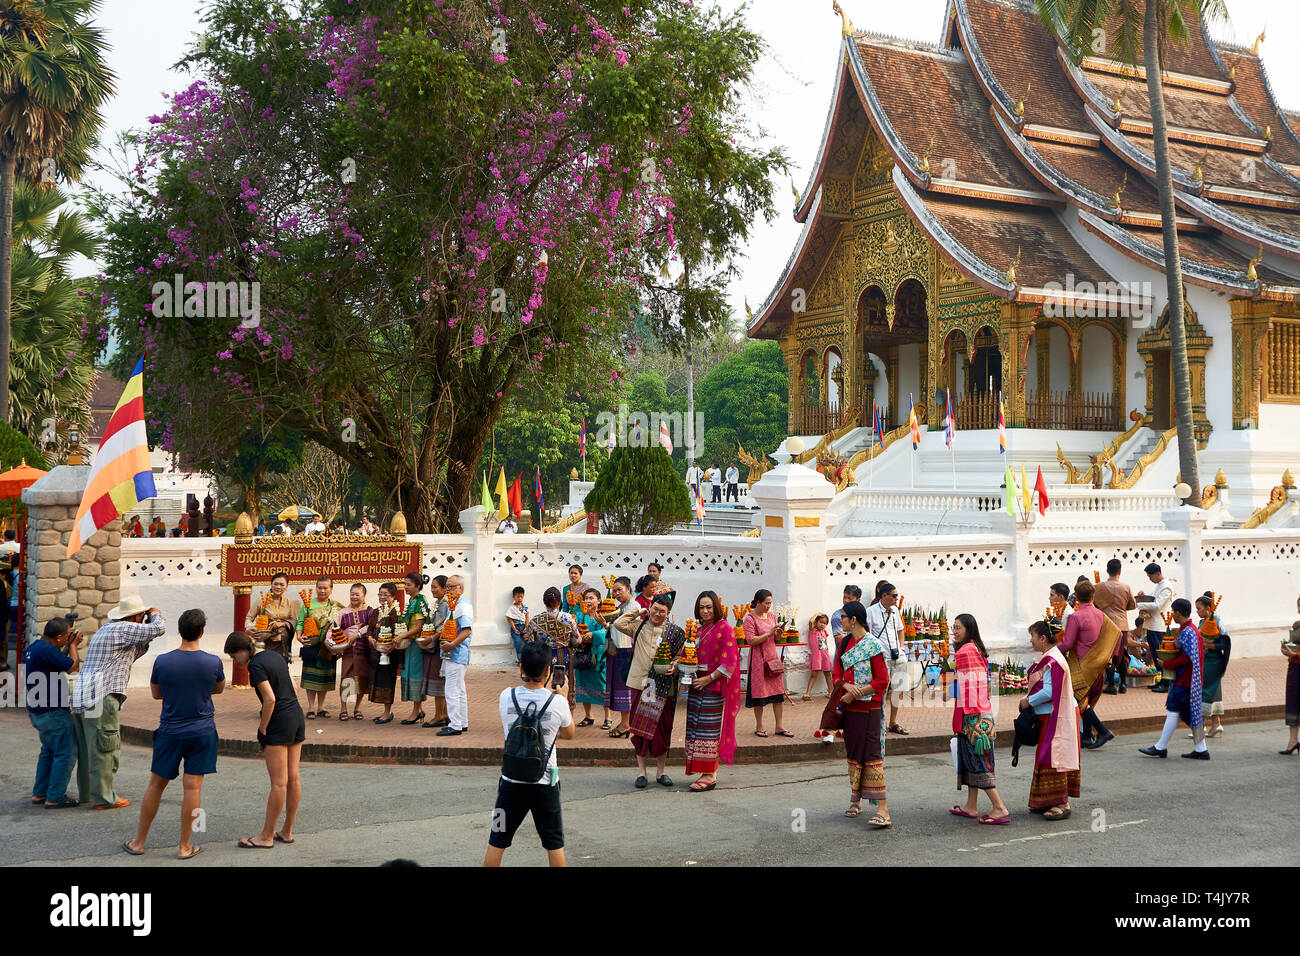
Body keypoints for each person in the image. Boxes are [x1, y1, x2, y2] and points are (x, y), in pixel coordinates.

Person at [122, 609, 225, 859]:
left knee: (156, 785)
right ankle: (184, 846)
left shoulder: (163, 661)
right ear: (202, 631)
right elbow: (219, 688)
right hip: (202, 730)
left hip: (170, 729)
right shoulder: (213, 662)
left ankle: (139, 842)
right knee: (193, 789)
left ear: (180, 631)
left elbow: (157, 694)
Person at [70, 595, 167, 811]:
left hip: (83, 696)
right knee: (105, 748)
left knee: (88, 750)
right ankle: (104, 798)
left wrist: (145, 625)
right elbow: (158, 628)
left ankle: (89, 794)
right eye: (141, 616)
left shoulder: (108, 629)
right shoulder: (123, 628)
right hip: (101, 697)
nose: (143, 619)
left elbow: (138, 650)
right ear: (135, 616)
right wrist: (154, 613)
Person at [484, 642, 574, 867]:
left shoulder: (506, 696)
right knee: (554, 843)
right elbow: (569, 733)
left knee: (497, 839)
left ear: (521, 667)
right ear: (548, 671)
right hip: (545, 783)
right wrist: (563, 696)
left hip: (510, 783)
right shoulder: (557, 703)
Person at [224, 631, 305, 849]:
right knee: (293, 778)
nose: (236, 661)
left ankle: (266, 836)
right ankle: (286, 831)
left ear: (242, 651)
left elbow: (269, 699)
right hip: (296, 715)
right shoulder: (274, 655)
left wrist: (263, 727)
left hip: (278, 720)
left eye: (234, 656)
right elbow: (294, 687)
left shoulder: (255, 666)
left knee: (279, 782)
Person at [830, 600, 891, 825]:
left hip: (870, 708)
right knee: (853, 753)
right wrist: (846, 688)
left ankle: (883, 809)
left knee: (872, 754)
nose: (841, 620)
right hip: (851, 708)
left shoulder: (873, 645)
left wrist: (858, 692)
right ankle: (855, 800)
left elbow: (882, 680)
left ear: (853, 619)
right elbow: (836, 674)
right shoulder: (845, 644)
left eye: (844, 617)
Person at [619, 593, 686, 788]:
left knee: (662, 730)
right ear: (650, 608)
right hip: (640, 683)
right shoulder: (638, 626)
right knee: (639, 729)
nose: (657, 614)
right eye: (654, 609)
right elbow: (618, 623)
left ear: (668, 613)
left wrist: (675, 665)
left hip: (664, 686)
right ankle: (642, 773)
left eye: (662, 611)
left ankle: (661, 772)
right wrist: (638, 611)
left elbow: (683, 655)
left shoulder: (676, 632)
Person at [950, 613, 1010, 824]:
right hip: (980, 711)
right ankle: (971, 806)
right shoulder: (975, 648)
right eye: (953, 627)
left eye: (958, 628)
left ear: (968, 629)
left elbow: (970, 686)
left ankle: (999, 807)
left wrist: (970, 716)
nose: (954, 631)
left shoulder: (965, 651)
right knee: (971, 760)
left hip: (972, 714)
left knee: (977, 761)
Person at [684, 590, 742, 792]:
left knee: (708, 731)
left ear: (716, 607)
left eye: (709, 607)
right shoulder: (699, 630)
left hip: (712, 686)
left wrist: (708, 679)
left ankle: (710, 774)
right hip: (696, 685)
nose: (705, 610)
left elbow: (730, 662)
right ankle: (702, 769)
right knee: (695, 728)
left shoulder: (724, 628)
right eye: (701, 607)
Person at [1021, 619, 1079, 820]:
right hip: (1052, 714)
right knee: (1046, 757)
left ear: (1043, 638)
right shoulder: (1051, 657)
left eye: (1033, 637)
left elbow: (1049, 690)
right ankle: (1047, 800)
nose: (1031, 641)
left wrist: (1028, 701)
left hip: (1058, 715)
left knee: (1055, 757)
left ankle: (1062, 802)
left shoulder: (1054, 660)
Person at [1140, 598, 1209, 760]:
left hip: (1186, 679)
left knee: (1172, 709)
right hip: (1189, 679)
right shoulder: (1190, 630)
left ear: (1177, 613)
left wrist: (1168, 664)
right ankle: (1201, 749)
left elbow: (1187, 658)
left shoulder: (1188, 631)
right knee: (1191, 715)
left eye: (1173, 612)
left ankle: (1161, 747)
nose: (1172, 615)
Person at [24, 617, 82, 808]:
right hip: (53, 711)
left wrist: (68, 644)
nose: (67, 639)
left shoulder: (35, 648)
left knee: (48, 751)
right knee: (66, 752)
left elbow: (60, 663)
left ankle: (40, 793)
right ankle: (55, 796)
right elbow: (73, 667)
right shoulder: (49, 650)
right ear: (58, 638)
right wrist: (74, 645)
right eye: (66, 636)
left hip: (37, 711)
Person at [1060, 579, 1120, 750]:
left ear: (1076, 597)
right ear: (1093, 595)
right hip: (1098, 665)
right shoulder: (1102, 615)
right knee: (1087, 699)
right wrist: (1110, 656)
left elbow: (1067, 644)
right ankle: (1087, 736)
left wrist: (1049, 650)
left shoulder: (1075, 616)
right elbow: (1118, 635)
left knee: (1079, 700)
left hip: (1082, 665)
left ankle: (1102, 730)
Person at [743, 589, 790, 738]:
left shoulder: (772, 616)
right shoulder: (749, 619)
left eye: (770, 603)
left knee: (778, 693)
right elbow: (751, 640)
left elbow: (775, 639)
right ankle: (759, 726)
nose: (769, 606)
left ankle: (779, 726)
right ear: (758, 602)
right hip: (758, 660)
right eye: (766, 603)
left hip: (772, 659)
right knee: (759, 694)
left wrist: (778, 634)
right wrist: (769, 633)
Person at [524, 586, 581, 704]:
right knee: (566, 686)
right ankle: (567, 717)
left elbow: (531, 642)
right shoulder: (568, 618)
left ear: (544, 602)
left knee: (544, 687)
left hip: (543, 658)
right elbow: (577, 641)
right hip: (564, 656)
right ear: (560, 602)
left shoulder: (535, 620)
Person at [865, 580, 907, 736]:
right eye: (894, 595)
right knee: (880, 691)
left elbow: (900, 630)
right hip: (881, 657)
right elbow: (867, 634)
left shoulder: (895, 611)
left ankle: (893, 722)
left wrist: (901, 649)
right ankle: (879, 722)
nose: (897, 598)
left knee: (898, 690)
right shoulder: (871, 611)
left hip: (897, 656)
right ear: (884, 595)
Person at [297, 576, 342, 717]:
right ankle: (311, 708)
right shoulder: (308, 604)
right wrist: (299, 636)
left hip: (328, 647)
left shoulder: (336, 606)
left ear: (331, 589)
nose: (322, 591)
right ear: (316, 588)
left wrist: (341, 645)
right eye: (319, 588)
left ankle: (321, 707)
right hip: (311, 644)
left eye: (325, 588)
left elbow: (343, 624)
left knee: (324, 677)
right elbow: (300, 622)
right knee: (311, 678)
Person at [438, 574, 473, 736]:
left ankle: (455, 724)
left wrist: (452, 644)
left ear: (460, 588)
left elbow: (466, 630)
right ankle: (462, 722)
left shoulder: (463, 606)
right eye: (447, 586)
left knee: (451, 689)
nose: (447, 589)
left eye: (451, 586)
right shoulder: (455, 604)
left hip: (456, 653)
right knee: (459, 689)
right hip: (454, 653)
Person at [246, 571, 302, 669]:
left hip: (283, 644)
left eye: (282, 584)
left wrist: (282, 624)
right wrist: (249, 628)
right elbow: (249, 618)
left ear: (286, 587)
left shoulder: (291, 603)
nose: (278, 587)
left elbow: (295, 621)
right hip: (265, 642)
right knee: (265, 669)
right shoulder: (261, 601)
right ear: (271, 584)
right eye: (275, 584)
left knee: (281, 670)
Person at [337, 583, 376, 720]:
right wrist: (333, 644)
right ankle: (343, 709)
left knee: (361, 679)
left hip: (363, 650)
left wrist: (358, 634)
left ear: (364, 595)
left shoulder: (370, 612)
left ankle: (357, 708)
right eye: (352, 593)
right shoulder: (342, 612)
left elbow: (372, 626)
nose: (354, 596)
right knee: (346, 680)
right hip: (348, 650)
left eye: (357, 594)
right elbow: (335, 630)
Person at [1097, 559, 1136, 695]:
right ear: (1120, 571)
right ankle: (1123, 683)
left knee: (1108, 655)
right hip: (1122, 625)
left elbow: (1095, 606)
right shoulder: (1126, 587)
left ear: (1107, 571)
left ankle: (1112, 685)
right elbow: (1132, 605)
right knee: (1123, 654)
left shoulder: (1099, 587)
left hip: (1107, 625)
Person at [397, 572, 432, 724]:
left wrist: (402, 635)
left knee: (415, 675)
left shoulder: (419, 601)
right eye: (405, 584)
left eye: (409, 584)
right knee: (409, 674)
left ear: (418, 586)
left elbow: (418, 627)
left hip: (416, 645)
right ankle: (418, 710)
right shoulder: (411, 600)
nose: (405, 587)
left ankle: (415, 711)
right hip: (410, 645)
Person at [1135, 563, 1176, 692]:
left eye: (1150, 576)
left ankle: (1166, 682)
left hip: (1160, 625)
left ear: (1158, 573)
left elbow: (1157, 604)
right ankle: (1160, 680)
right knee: (1154, 653)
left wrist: (1139, 604)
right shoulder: (1160, 585)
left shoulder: (1167, 587)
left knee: (1161, 655)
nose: (1150, 579)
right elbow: (1152, 597)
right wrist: (1143, 595)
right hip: (1153, 624)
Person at [605, 576, 637, 737]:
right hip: (619, 649)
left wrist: (608, 624)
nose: (617, 593)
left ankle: (626, 724)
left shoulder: (634, 606)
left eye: (620, 590)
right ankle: (625, 722)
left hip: (626, 651)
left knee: (624, 688)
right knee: (619, 687)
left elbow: (624, 627)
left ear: (628, 589)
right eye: (614, 591)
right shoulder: (622, 606)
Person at [572, 587, 609, 729]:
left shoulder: (604, 614)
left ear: (599, 600)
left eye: (591, 598)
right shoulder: (580, 615)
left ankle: (608, 718)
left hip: (598, 655)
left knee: (603, 685)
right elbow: (573, 629)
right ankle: (589, 715)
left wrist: (594, 635)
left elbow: (607, 630)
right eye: (586, 598)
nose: (588, 601)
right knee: (582, 685)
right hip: (582, 655)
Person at [367, 583, 403, 724]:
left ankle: (388, 713)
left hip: (390, 653)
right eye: (380, 594)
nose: (382, 597)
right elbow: (369, 629)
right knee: (378, 680)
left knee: (387, 682)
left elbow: (399, 631)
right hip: (376, 652)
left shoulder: (396, 613)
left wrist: (392, 646)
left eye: (385, 594)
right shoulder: (376, 612)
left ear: (393, 596)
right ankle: (384, 711)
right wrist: (370, 638)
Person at [1194, 592, 1229, 738]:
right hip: (1206, 660)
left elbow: (1223, 642)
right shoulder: (1203, 622)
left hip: (1212, 661)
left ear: (1208, 608)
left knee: (1204, 691)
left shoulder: (1216, 622)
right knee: (1213, 692)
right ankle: (1216, 724)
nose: (1197, 611)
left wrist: (1209, 645)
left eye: (1199, 608)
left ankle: (1200, 727)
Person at [421, 576, 450, 728]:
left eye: (435, 587)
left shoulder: (444, 605)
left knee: (438, 682)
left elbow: (443, 628)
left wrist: (430, 637)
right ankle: (444, 714)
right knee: (441, 682)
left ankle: (439, 715)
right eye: (431, 587)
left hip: (438, 646)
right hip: (437, 645)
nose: (432, 590)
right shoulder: (439, 603)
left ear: (445, 588)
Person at [1283, 596, 1300, 755]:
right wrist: (1286, 650)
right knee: (1293, 703)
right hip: (1295, 668)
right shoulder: (1297, 626)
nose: (1298, 609)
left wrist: (1295, 654)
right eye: (1298, 606)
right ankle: (1293, 740)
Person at [804, 613, 833, 699]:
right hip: (817, 657)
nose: (822, 624)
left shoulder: (824, 632)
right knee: (814, 674)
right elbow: (810, 622)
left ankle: (831, 692)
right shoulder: (813, 631)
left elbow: (825, 644)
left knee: (827, 674)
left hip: (825, 656)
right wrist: (817, 614)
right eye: (820, 622)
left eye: (824, 623)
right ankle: (807, 693)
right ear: (816, 622)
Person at [505, 586, 529, 662]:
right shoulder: (512, 608)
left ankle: (528, 658)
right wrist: (514, 629)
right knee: (518, 642)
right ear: (513, 597)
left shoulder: (524, 607)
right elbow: (509, 619)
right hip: (515, 627)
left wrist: (526, 628)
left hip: (524, 627)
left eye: (521, 597)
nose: (520, 599)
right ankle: (520, 659)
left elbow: (527, 617)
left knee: (528, 641)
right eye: (518, 597)